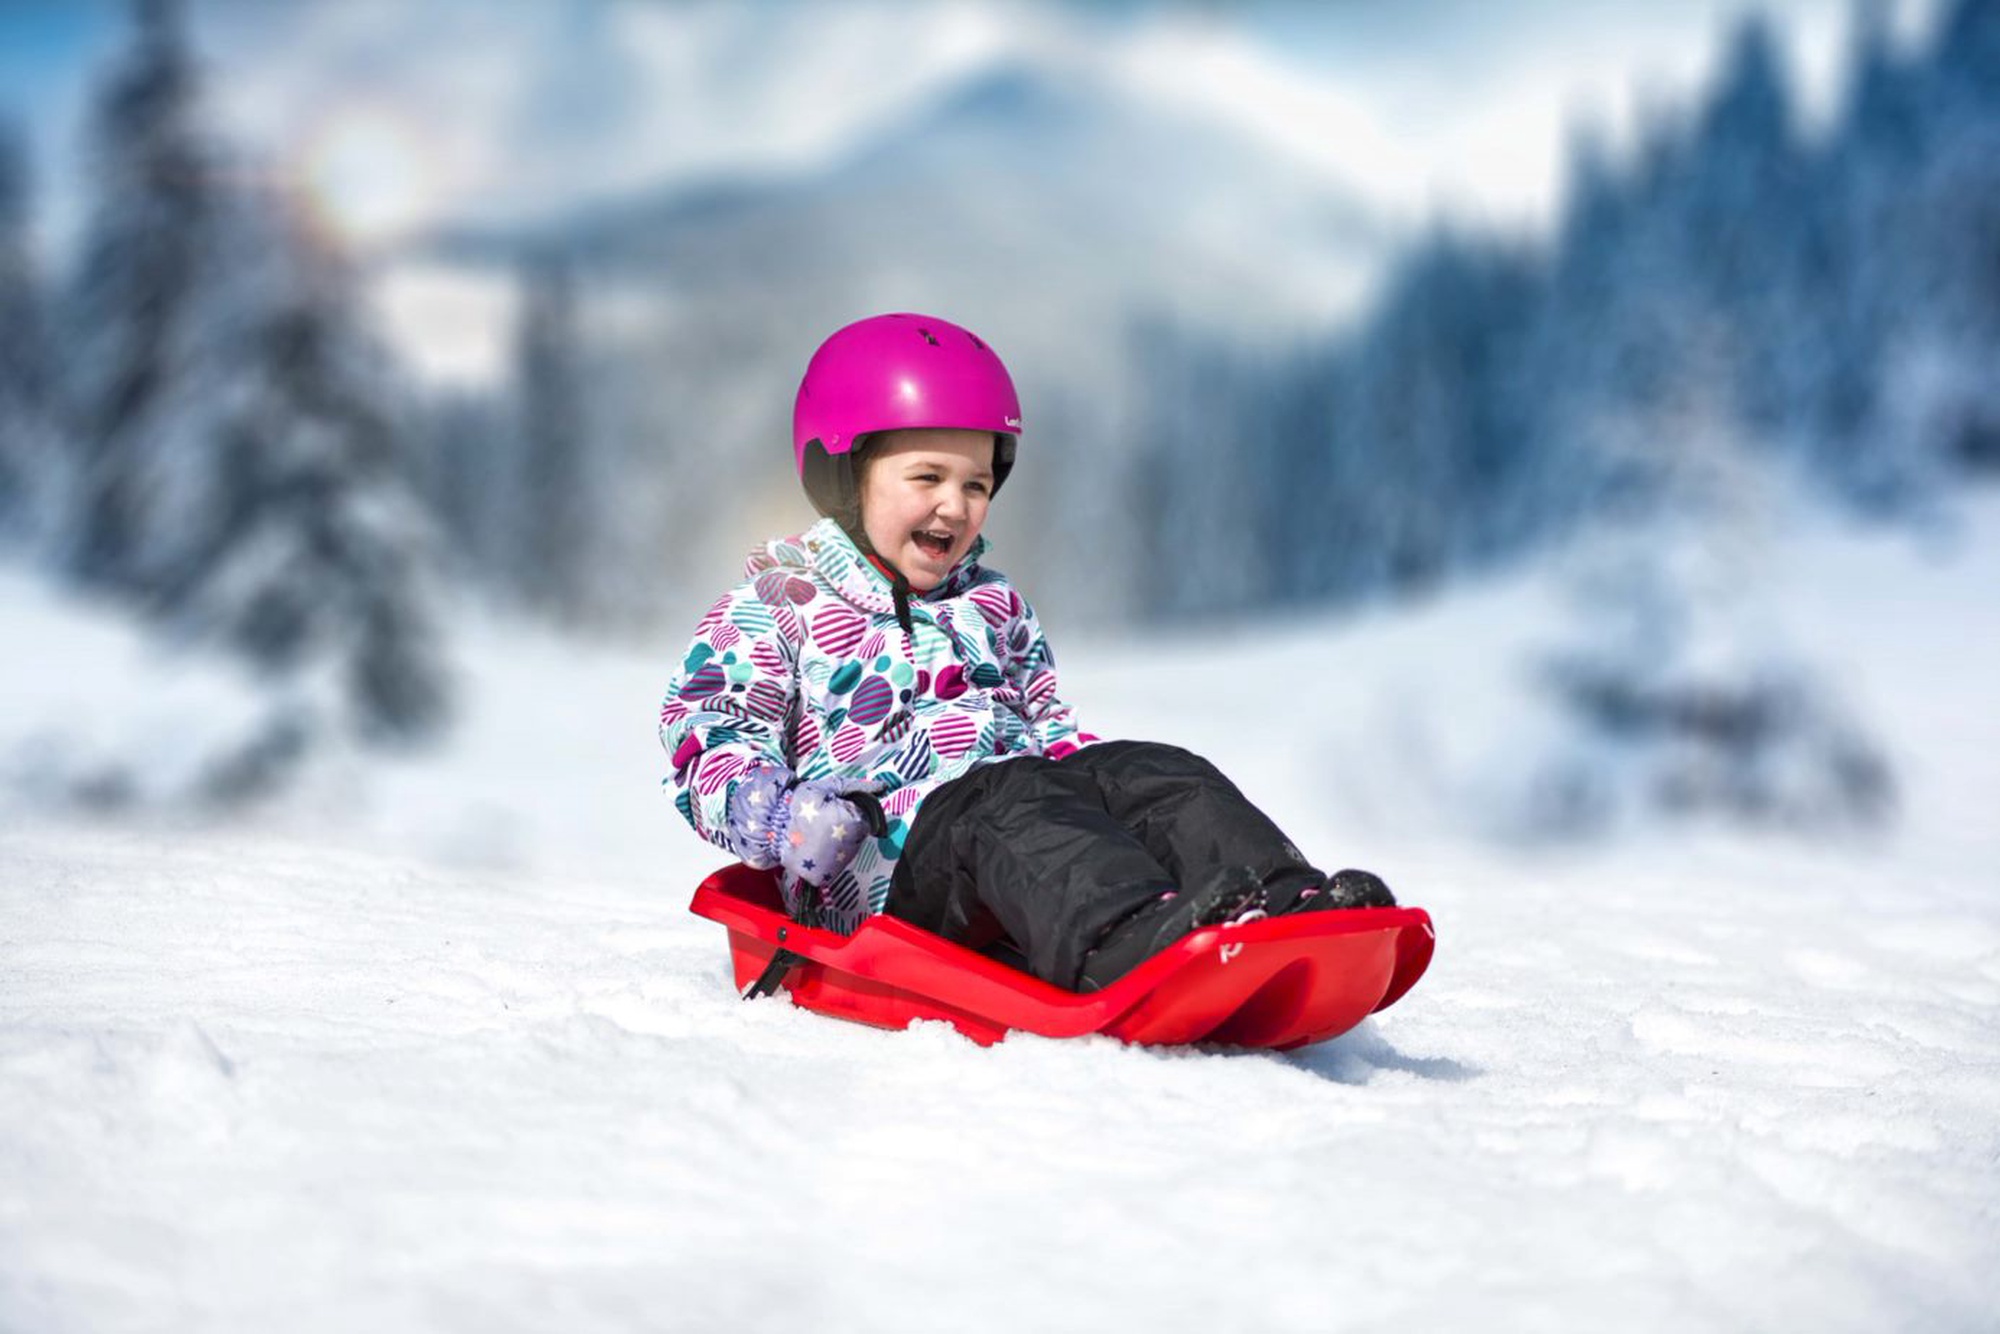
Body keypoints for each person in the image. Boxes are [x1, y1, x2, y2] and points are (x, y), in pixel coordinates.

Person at [658, 312, 1394, 993]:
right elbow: (706, 737)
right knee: (1003, 799)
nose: (956, 505)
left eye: (977, 483)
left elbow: (1046, 725)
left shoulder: (993, 604)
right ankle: (1125, 936)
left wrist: (1104, 783)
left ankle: (1284, 906)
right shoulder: (776, 607)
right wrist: (778, 816)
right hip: (883, 875)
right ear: (844, 474)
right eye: (927, 477)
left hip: (1023, 833)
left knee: (1151, 769)